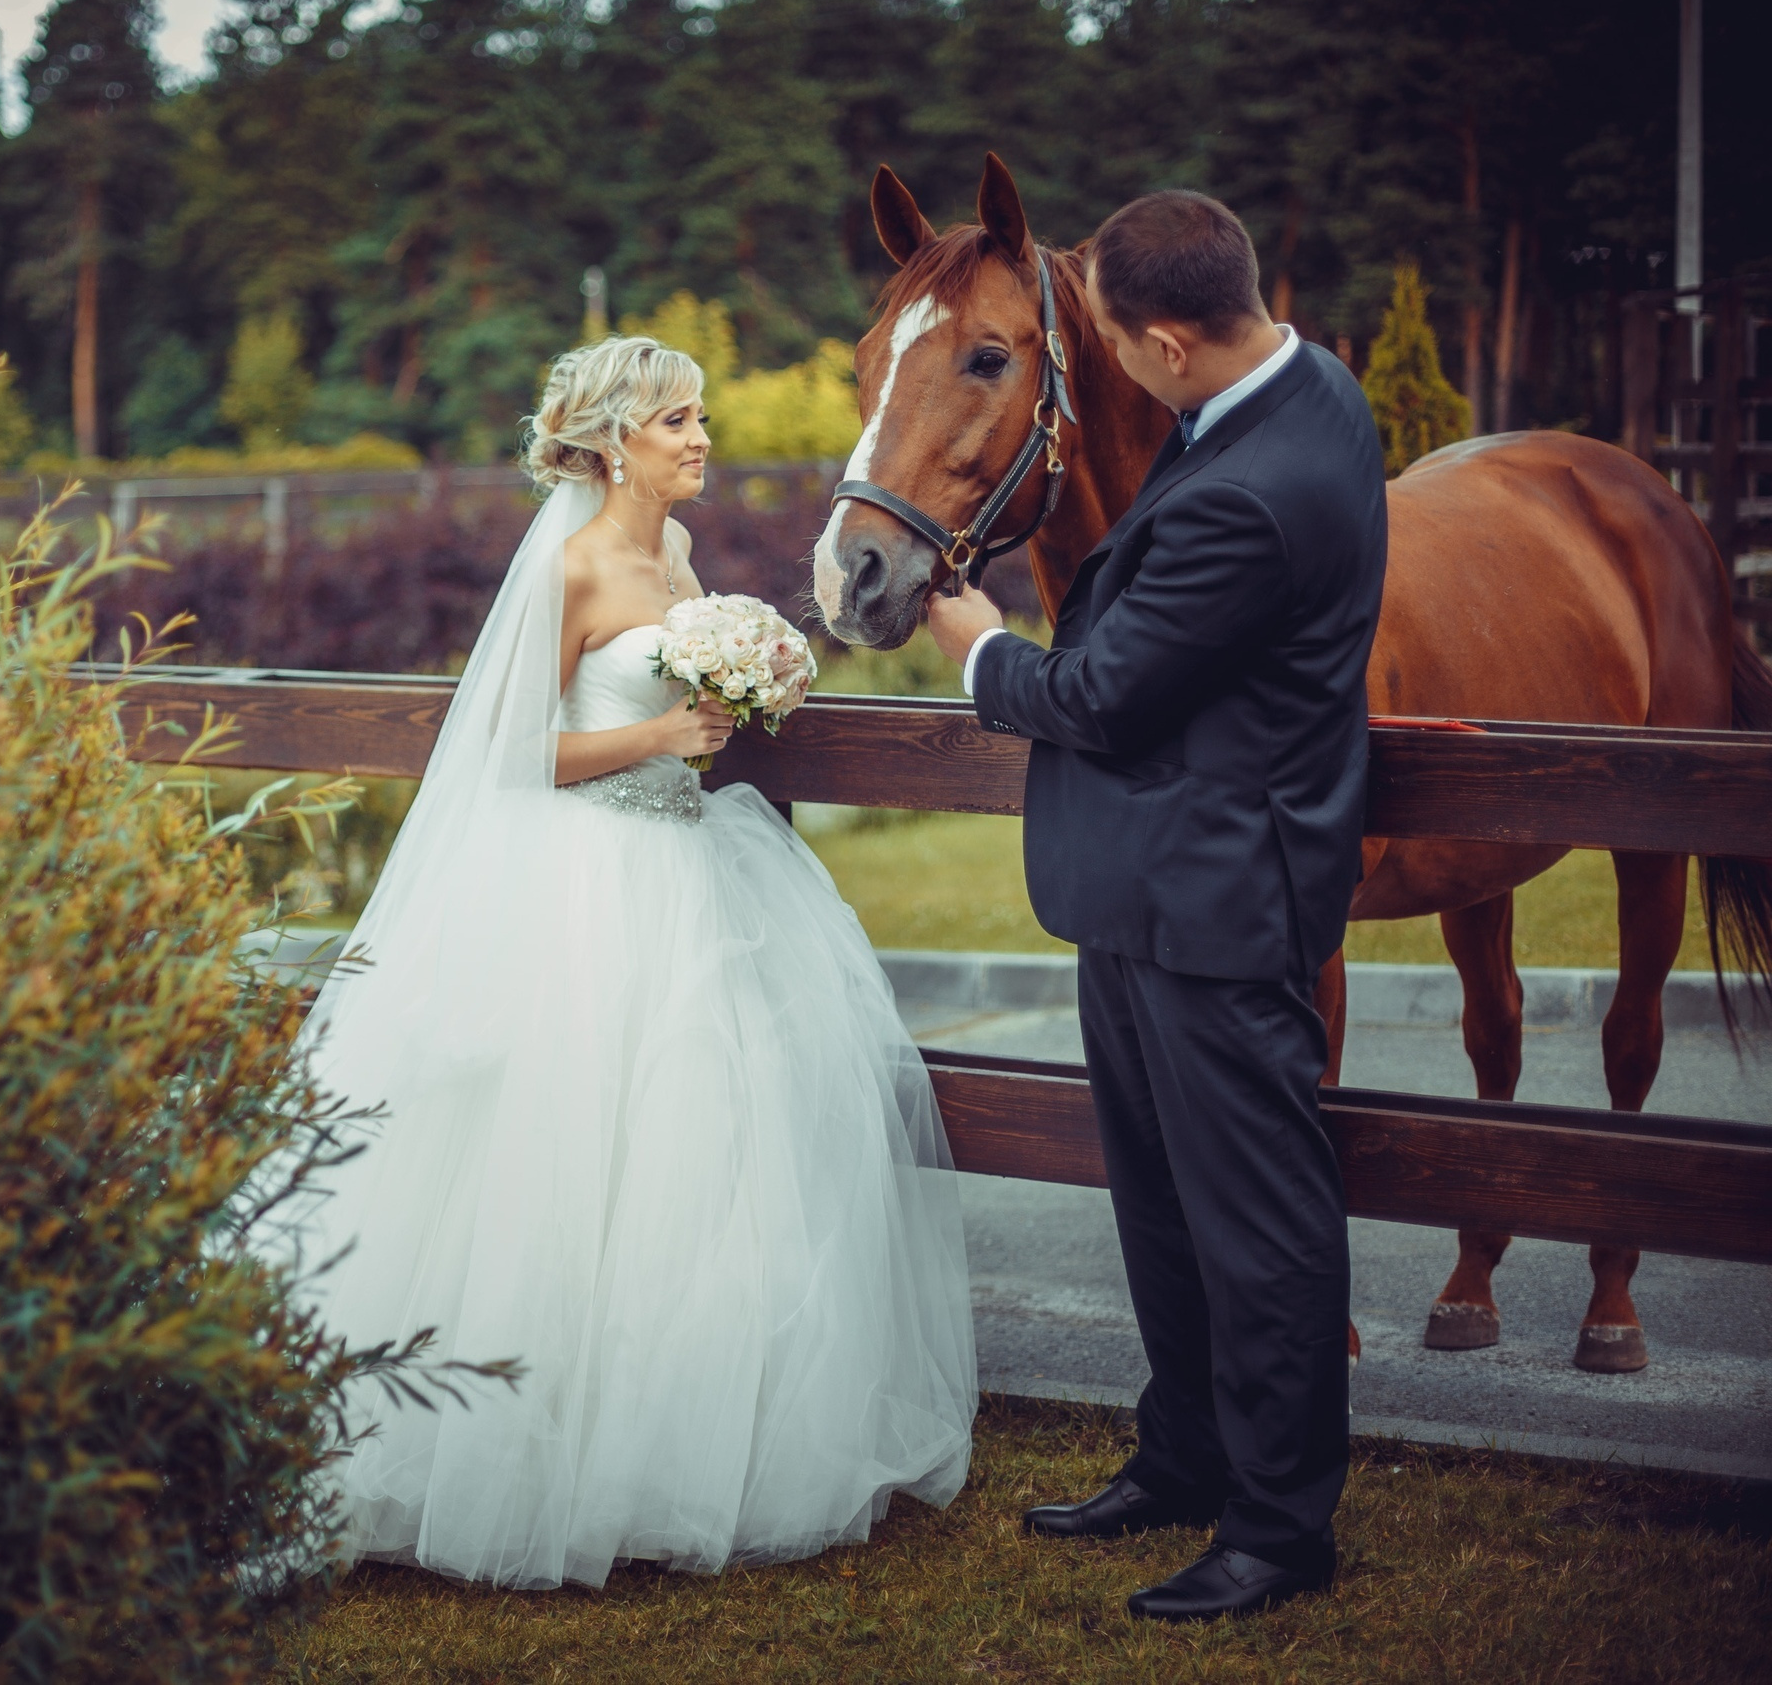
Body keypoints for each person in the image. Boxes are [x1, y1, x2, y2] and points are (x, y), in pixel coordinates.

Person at [277, 335, 975, 1591]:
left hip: (687, 862)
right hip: (579, 881)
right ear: (612, 442)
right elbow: (510, 752)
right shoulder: (576, 561)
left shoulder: (680, 555)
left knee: (699, 1150)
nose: (700, 436)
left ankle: (675, 1427)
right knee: (562, 1155)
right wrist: (658, 730)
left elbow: (685, 701)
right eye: (675, 420)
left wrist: (742, 699)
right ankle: (517, 1445)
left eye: (699, 414)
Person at [922, 190, 1388, 1621]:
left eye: (1123, 344)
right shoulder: (1290, 395)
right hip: (1149, 889)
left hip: (1216, 897)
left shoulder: (1254, 492)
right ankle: (1182, 1452)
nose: (1117, 366)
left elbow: (1101, 697)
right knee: (1164, 1210)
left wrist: (982, 647)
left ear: (1176, 341)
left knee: (1258, 1228)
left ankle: (1278, 1525)